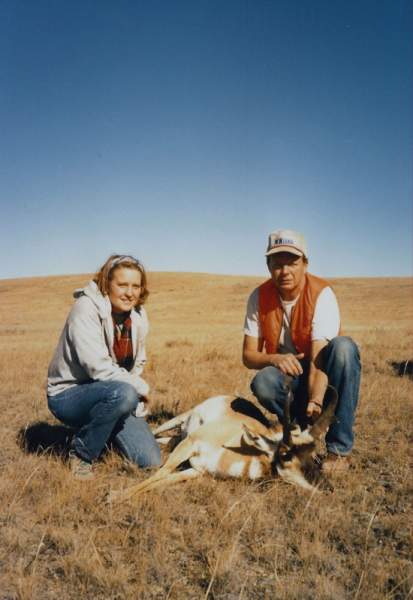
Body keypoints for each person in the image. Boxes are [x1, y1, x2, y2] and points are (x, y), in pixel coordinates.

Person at [242, 229, 361, 472]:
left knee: (345, 349)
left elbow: (319, 357)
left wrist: (316, 399)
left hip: (324, 374)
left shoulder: (321, 294)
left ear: (305, 264)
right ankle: (301, 428)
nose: (285, 271)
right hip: (291, 377)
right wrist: (275, 358)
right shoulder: (259, 296)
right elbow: (248, 356)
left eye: (292, 263)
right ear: (268, 266)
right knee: (263, 381)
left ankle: (339, 450)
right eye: (277, 264)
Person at [47, 254, 161, 479]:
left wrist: (133, 390)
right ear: (106, 284)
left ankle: (103, 427)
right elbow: (98, 368)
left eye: (136, 286)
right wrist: (139, 388)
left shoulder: (138, 315)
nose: (130, 292)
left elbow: (138, 362)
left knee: (150, 461)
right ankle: (82, 453)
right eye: (122, 285)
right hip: (69, 395)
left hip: (114, 393)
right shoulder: (86, 308)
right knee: (125, 393)